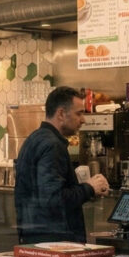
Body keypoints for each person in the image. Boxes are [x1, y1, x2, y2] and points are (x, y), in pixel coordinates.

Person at [14, 86, 110, 244]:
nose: (83, 119)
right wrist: (89, 188)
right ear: (60, 114)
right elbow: (53, 199)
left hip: (34, 238)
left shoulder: (34, 139)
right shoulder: (53, 145)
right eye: (79, 113)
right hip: (55, 243)